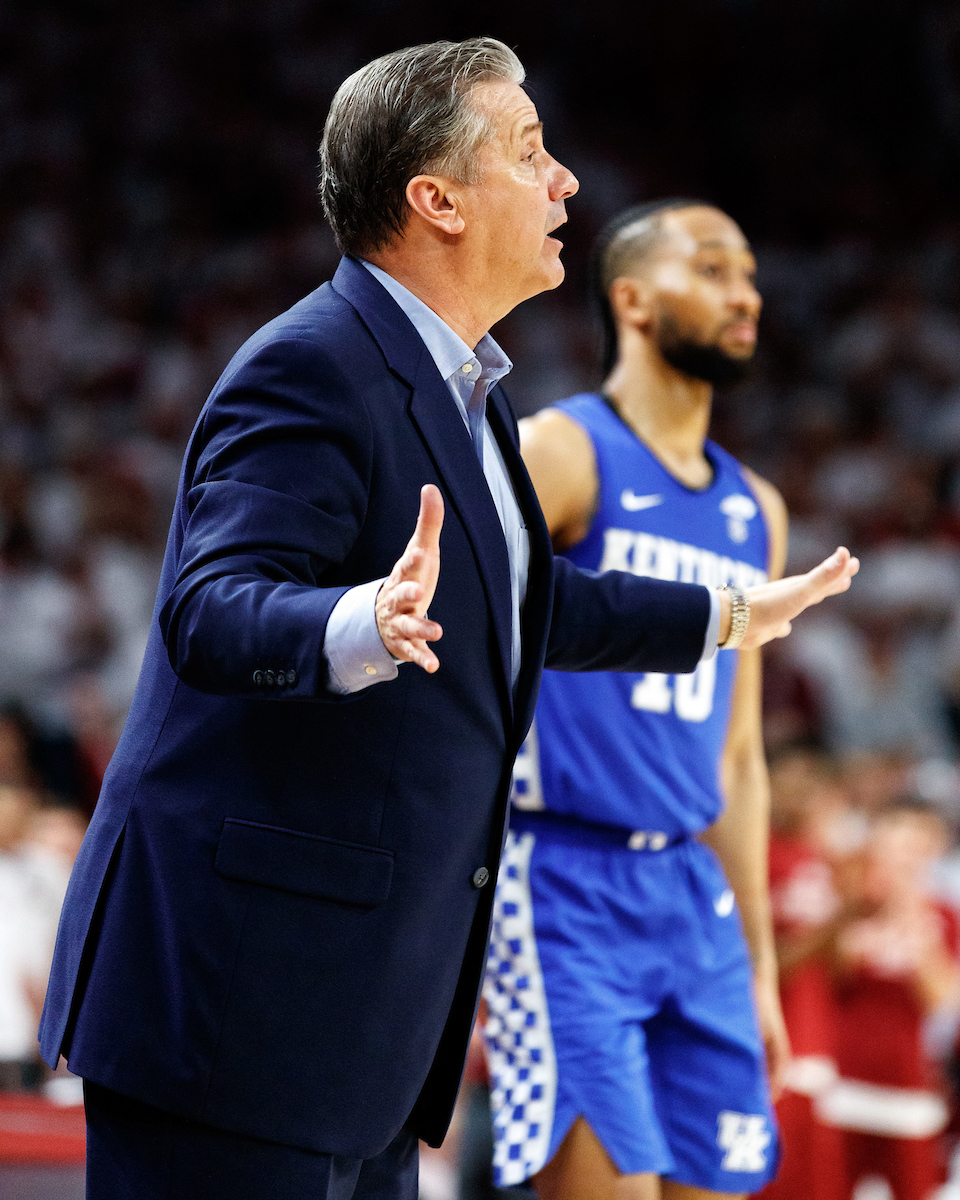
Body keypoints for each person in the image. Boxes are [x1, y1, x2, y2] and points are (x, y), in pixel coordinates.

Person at [38, 44, 857, 1200]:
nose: (567, 181)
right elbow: (210, 609)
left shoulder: (468, 388)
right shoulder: (311, 367)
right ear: (438, 201)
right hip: (233, 1008)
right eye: (531, 153)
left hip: (355, 1019)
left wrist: (721, 615)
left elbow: (519, 602)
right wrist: (360, 619)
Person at [484, 198, 805, 1199]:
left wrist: (756, 961)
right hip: (562, 885)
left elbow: (740, 758)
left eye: (748, 273)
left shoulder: (757, 510)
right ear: (631, 298)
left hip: (691, 901)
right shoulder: (561, 451)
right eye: (711, 268)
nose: (744, 293)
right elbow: (463, 650)